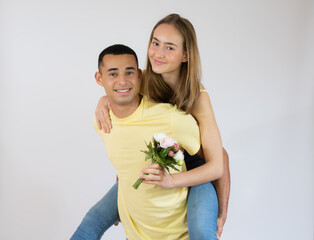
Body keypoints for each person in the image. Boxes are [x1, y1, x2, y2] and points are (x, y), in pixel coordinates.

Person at [71, 14, 230, 240]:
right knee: (92, 222)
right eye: (155, 43)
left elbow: (219, 160)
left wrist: (222, 212)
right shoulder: (143, 79)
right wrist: (103, 101)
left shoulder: (197, 97)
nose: (157, 53)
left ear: (186, 55)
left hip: (195, 171)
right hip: (155, 168)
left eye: (169, 47)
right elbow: (122, 100)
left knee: (202, 234)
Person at [93, 43, 204, 239]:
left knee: (203, 232)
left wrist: (221, 212)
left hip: (185, 200)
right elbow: (125, 154)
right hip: (138, 227)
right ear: (99, 78)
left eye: (129, 73)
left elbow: (215, 156)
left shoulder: (179, 110)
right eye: (113, 74)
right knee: (89, 225)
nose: (122, 80)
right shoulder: (103, 119)